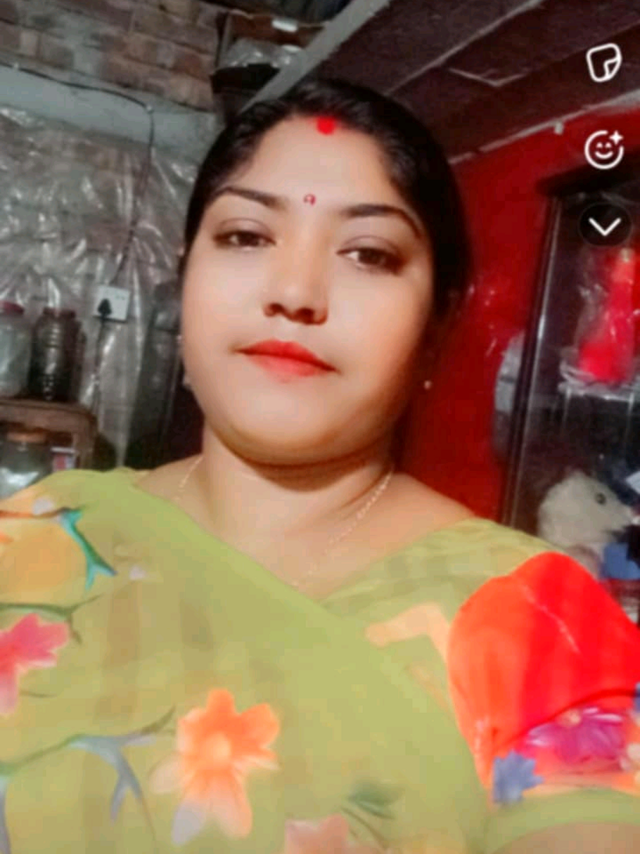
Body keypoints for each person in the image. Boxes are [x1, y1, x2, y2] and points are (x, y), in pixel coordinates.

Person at [2, 77, 640, 854]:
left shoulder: (544, 622)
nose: (295, 293)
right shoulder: (36, 538)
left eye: (369, 254)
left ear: (439, 321)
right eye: (246, 237)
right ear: (186, 275)